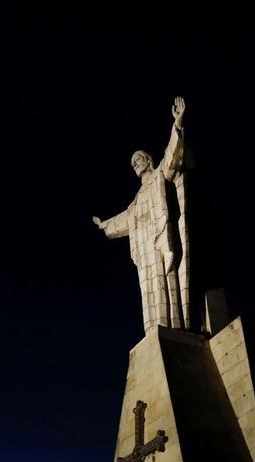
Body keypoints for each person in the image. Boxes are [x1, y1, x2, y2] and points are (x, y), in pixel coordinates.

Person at [93, 97, 191, 333]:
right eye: (132, 162)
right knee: (148, 288)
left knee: (166, 280)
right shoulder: (135, 203)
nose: (135, 163)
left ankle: (173, 328)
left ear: (148, 160)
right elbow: (123, 220)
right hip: (144, 246)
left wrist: (177, 124)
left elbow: (172, 157)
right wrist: (104, 225)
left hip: (160, 237)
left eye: (138, 158)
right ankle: (154, 331)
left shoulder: (159, 177)